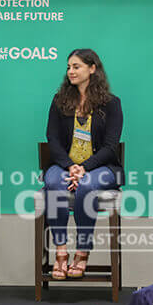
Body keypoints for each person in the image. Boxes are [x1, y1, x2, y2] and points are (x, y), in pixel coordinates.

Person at [44, 48, 124, 280]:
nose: (70, 71)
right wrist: (71, 166)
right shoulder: (60, 101)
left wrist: (84, 168)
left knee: (87, 186)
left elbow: (111, 146)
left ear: (92, 69)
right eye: (68, 67)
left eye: (76, 66)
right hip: (65, 166)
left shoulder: (111, 104)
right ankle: (60, 250)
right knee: (52, 182)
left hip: (102, 168)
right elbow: (53, 139)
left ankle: (82, 250)